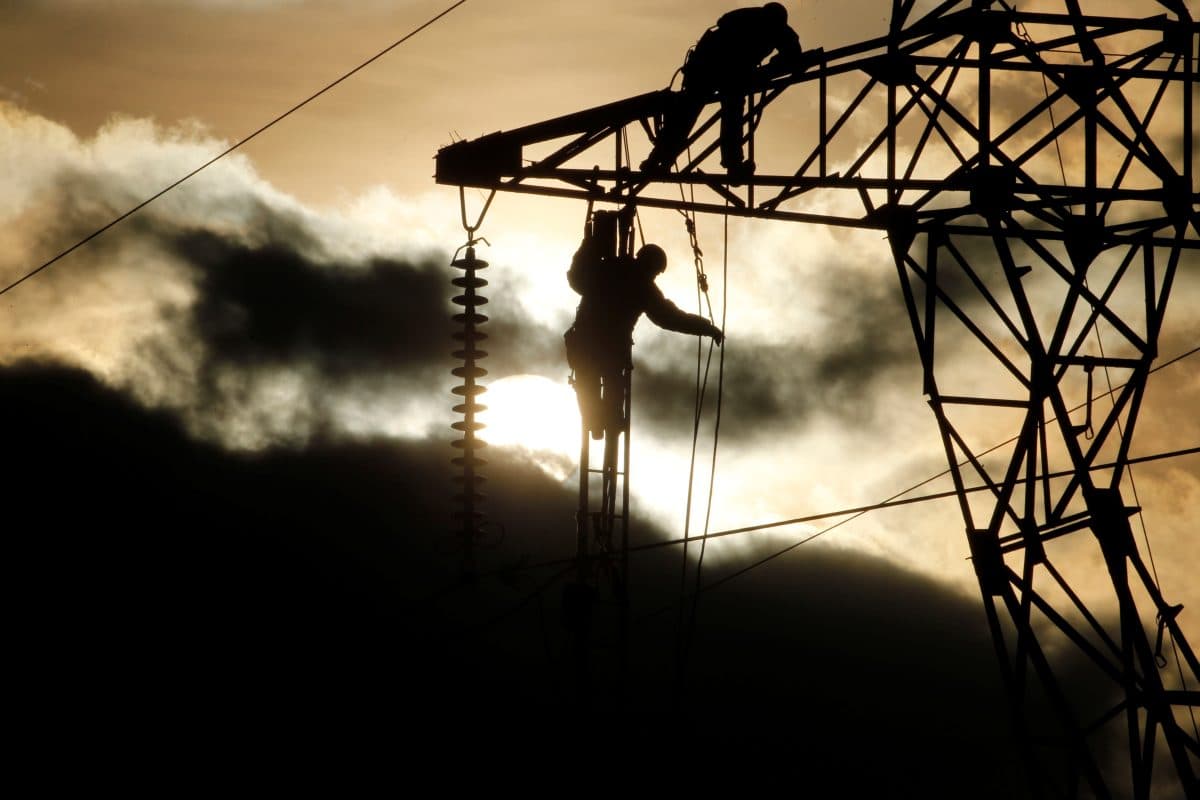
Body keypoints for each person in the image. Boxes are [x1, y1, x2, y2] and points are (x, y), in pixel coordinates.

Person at [564, 227, 723, 440]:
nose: (655, 275)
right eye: (656, 272)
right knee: (610, 381)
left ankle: (596, 422)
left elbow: (576, 277)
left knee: (588, 382)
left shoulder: (608, 269)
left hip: (585, 342)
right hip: (609, 347)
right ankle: (606, 420)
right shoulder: (643, 288)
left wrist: (590, 244)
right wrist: (706, 328)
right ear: (651, 267)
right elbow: (669, 318)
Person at [642, 2, 804, 178]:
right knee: (718, 112)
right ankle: (660, 159)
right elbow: (735, 50)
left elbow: (793, 53)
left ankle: (657, 159)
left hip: (720, 70)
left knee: (692, 114)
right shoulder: (747, 22)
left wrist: (775, 64)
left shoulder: (776, 28)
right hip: (711, 67)